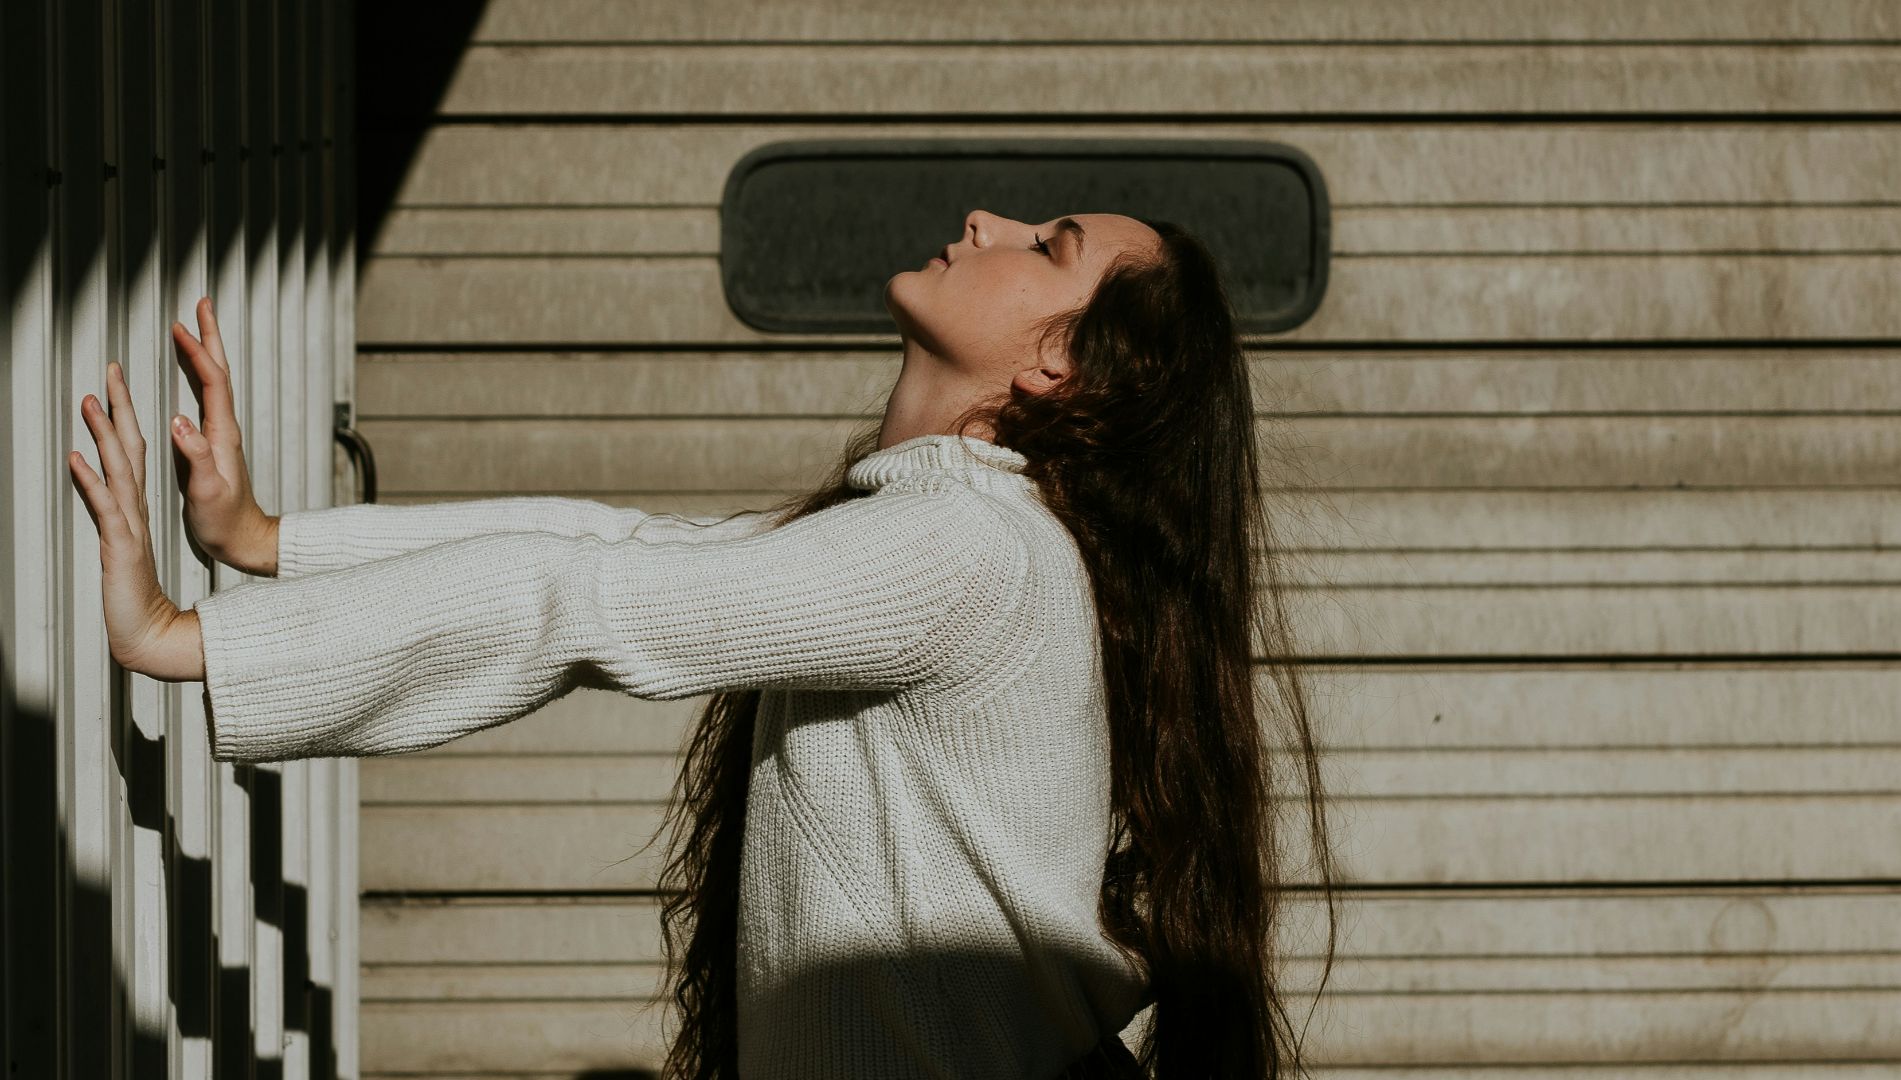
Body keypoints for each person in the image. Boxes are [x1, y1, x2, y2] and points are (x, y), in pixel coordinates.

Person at [69, 209, 1338, 1079]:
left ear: (1063, 362)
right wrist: (264, 541)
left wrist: (193, 642)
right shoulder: (948, 532)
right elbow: (625, 547)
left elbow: (584, 596)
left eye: (1044, 246)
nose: (985, 223)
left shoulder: (975, 553)